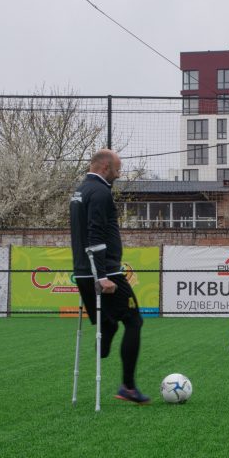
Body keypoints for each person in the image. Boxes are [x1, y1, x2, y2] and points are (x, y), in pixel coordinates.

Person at [69, 149, 149, 404]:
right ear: (105, 167)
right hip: (106, 272)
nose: (119, 173)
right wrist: (101, 276)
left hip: (83, 271)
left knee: (111, 324)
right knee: (134, 321)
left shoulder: (80, 191)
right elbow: (94, 233)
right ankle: (128, 387)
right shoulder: (101, 192)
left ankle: (102, 349)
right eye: (117, 169)